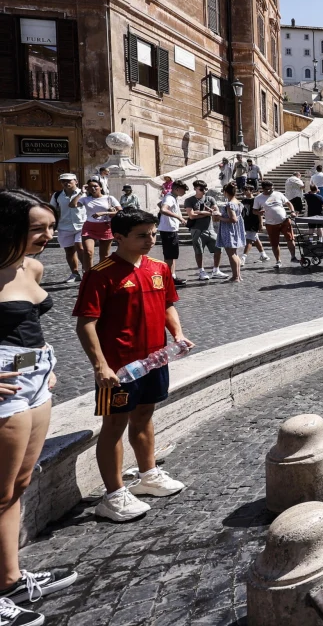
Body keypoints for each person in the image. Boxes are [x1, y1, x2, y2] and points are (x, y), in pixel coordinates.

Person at [74, 210, 191, 523]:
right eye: (142, 235)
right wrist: (100, 366)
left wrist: (177, 334)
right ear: (119, 237)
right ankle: (113, 495)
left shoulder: (159, 268)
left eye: (152, 234)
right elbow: (86, 323)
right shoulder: (101, 273)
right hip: (118, 367)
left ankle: (148, 474)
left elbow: (167, 304)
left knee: (145, 414)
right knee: (114, 426)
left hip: (154, 360)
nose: (150, 241)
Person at [0, 191, 78, 618]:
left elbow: (25, 323)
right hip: (4, 384)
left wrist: (43, 358)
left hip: (34, 377)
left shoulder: (31, 265)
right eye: (38, 229)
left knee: (17, 486)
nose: (50, 235)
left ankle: (9, 580)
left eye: (51, 226)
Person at [183, 181, 224, 282]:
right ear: (195, 189)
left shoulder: (210, 199)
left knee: (219, 248)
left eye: (205, 189)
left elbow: (216, 212)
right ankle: (201, 271)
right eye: (201, 189)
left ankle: (216, 270)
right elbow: (191, 215)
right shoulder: (189, 200)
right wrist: (208, 213)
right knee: (199, 251)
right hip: (197, 230)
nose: (204, 191)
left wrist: (200, 212)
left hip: (210, 229)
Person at [253, 181, 299, 268]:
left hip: (284, 221)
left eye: (272, 188)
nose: (270, 191)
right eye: (268, 189)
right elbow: (254, 211)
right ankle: (278, 261)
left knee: (290, 239)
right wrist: (259, 213)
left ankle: (293, 257)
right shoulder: (258, 198)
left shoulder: (278, 194)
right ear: (263, 189)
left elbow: (288, 203)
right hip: (271, 224)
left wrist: (292, 211)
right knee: (274, 243)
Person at [79, 178, 121, 274]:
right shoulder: (85, 199)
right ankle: (88, 274)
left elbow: (120, 211)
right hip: (89, 227)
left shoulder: (109, 198)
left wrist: (104, 213)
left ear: (100, 187)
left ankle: (101, 275)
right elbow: (72, 205)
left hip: (105, 226)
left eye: (95, 186)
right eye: (90, 187)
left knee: (104, 255)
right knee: (88, 252)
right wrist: (81, 192)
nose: (93, 188)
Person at [50, 173, 86, 283]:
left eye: (69, 181)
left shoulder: (85, 193)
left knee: (80, 248)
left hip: (82, 225)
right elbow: (52, 209)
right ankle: (75, 273)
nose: (66, 183)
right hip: (64, 226)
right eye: (63, 181)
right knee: (69, 251)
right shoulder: (57, 195)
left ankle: (86, 271)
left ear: (76, 181)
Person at [157, 181, 187, 284]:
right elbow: (163, 209)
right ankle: (168, 279)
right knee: (169, 255)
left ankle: (171, 276)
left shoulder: (171, 197)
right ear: (177, 189)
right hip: (168, 230)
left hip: (170, 229)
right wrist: (178, 217)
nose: (185, 192)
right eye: (184, 190)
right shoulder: (170, 198)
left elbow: (159, 204)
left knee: (172, 255)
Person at [215, 183, 246, 282]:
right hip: (236, 230)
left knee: (231, 254)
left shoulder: (230, 204)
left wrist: (219, 217)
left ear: (225, 192)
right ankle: (238, 276)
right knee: (234, 253)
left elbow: (233, 219)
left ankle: (235, 276)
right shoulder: (238, 202)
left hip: (229, 230)